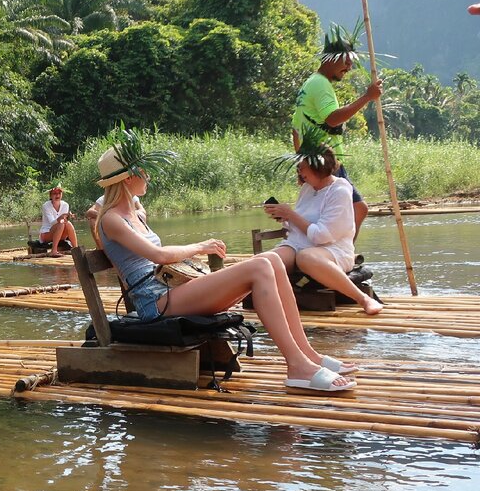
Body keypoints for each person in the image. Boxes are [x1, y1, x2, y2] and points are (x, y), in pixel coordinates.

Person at [95, 129, 356, 393]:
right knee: (261, 265)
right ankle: (297, 365)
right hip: (155, 303)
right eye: (143, 170)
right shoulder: (112, 220)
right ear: (128, 179)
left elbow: (145, 235)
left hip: (172, 290)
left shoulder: (137, 212)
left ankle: (308, 355)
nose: (148, 176)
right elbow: (158, 256)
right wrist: (201, 246)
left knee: (272, 261)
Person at [265, 138, 384, 315]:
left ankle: (363, 299)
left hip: (332, 249)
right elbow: (300, 223)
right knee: (265, 262)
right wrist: (285, 218)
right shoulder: (307, 188)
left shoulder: (340, 190)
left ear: (317, 167)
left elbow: (322, 236)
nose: (300, 171)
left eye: (303, 166)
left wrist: (291, 214)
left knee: (306, 257)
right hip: (298, 244)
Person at [292, 22, 383, 236]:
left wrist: (301, 164)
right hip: (326, 162)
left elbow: (296, 129)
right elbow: (332, 119)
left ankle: (338, 253)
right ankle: (342, 255)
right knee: (358, 208)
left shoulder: (310, 84)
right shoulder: (320, 84)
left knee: (346, 210)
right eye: (347, 61)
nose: (349, 67)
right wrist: (367, 97)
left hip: (318, 161)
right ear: (332, 60)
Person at [40, 186, 78, 256]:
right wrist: (60, 217)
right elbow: (52, 223)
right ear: (51, 195)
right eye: (54, 193)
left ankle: (76, 248)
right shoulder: (46, 206)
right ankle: (54, 251)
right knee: (61, 223)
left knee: (68, 224)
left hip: (61, 233)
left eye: (59, 193)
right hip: (47, 234)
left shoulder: (65, 205)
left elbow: (65, 221)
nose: (57, 195)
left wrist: (68, 216)